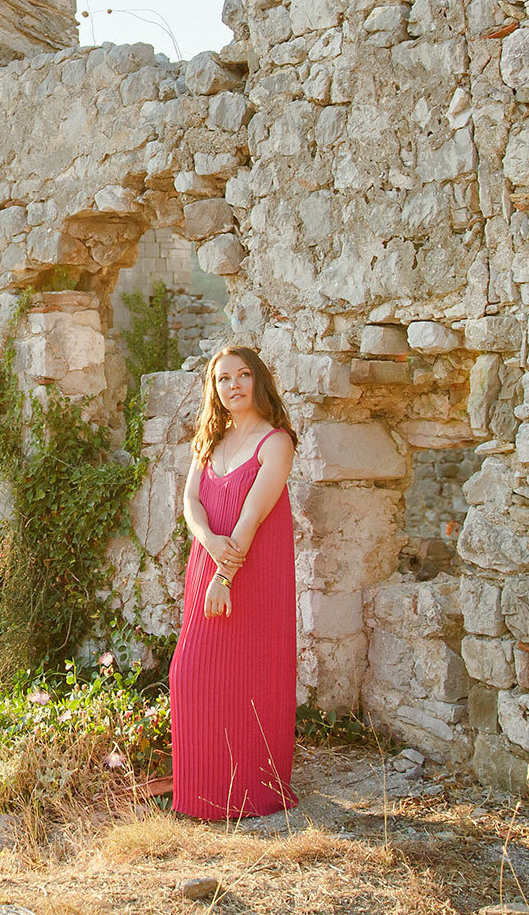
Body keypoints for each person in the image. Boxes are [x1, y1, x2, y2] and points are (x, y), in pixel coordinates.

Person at [167, 342, 299, 820]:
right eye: (223, 379)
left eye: (242, 375)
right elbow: (190, 504)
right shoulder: (210, 440)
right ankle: (202, 794)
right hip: (209, 566)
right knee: (189, 677)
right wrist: (206, 540)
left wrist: (224, 574)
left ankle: (251, 793)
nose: (233, 385)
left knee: (249, 677)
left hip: (249, 573)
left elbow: (251, 518)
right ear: (214, 388)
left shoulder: (275, 441)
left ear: (257, 380)